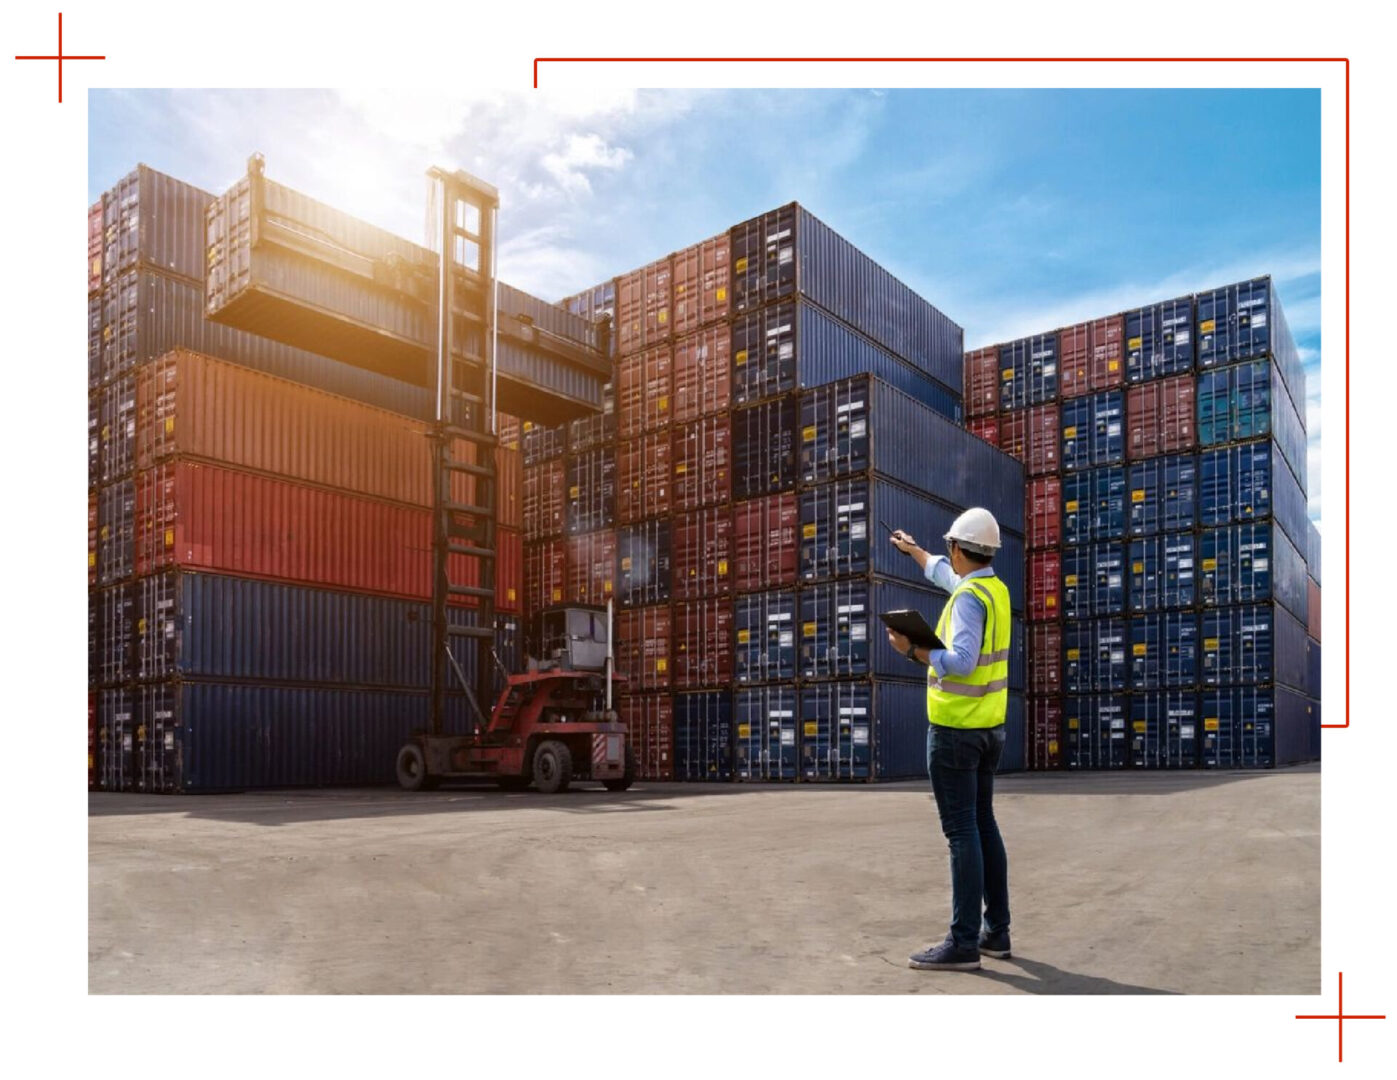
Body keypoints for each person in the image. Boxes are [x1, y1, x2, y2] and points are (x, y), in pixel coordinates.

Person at [885, 508, 1012, 972]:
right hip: (989, 728)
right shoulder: (991, 589)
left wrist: (913, 649)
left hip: (956, 731)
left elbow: (959, 660)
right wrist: (914, 550)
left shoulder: (967, 600)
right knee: (983, 825)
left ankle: (963, 942)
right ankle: (996, 932)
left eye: (949, 548)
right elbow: (945, 577)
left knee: (962, 833)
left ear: (960, 549)